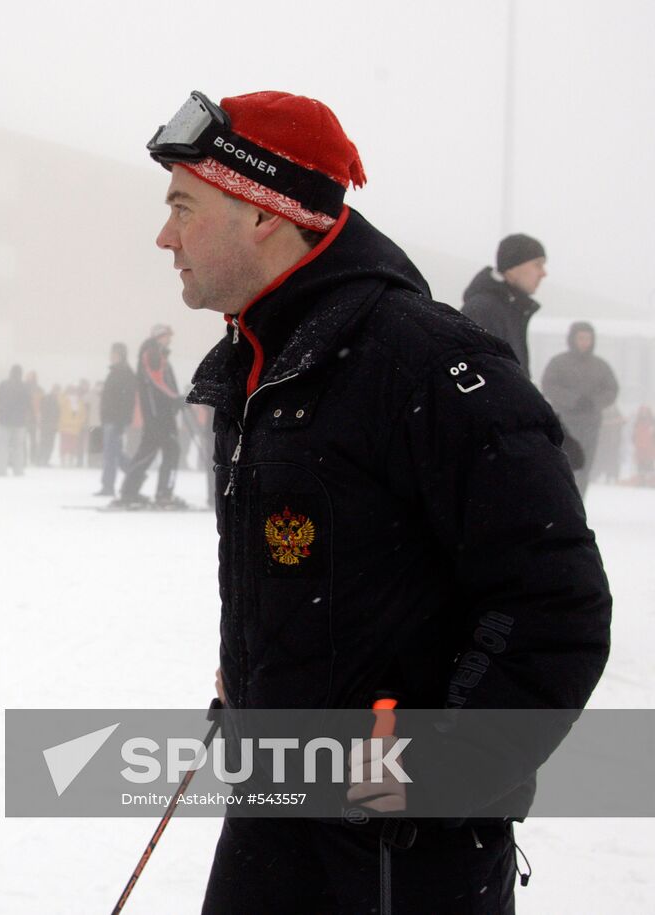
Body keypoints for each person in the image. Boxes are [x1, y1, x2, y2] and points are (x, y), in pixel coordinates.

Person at [147, 90, 610, 913]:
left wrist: (436, 776)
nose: (165, 235)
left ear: (263, 211)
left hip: (400, 858)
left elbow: (554, 601)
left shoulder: (425, 360)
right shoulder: (258, 365)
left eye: (184, 206)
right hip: (276, 816)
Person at [541, 321, 620, 496]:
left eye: (588, 338)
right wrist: (573, 400)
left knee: (585, 467)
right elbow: (549, 385)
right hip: (564, 425)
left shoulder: (600, 365)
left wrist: (594, 402)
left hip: (591, 424)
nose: (585, 342)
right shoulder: (559, 363)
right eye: (581, 338)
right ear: (572, 339)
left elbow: (612, 389)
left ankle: (579, 505)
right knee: (562, 466)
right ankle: (561, 506)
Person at [460, 233, 546, 379]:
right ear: (512, 268)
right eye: (537, 265)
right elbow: (484, 378)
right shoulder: (484, 310)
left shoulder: (511, 310)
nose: (543, 273)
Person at [116, 325, 184, 507]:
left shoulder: (158, 353)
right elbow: (157, 380)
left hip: (160, 413)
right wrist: (175, 397)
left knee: (156, 451)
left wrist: (175, 399)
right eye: (167, 336)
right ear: (159, 336)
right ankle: (158, 493)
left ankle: (132, 491)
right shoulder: (152, 351)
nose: (169, 340)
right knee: (166, 450)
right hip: (157, 415)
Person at [97, 342, 137, 496]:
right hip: (110, 420)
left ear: (120, 355)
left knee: (110, 455)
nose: (111, 356)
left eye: (114, 353)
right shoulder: (116, 372)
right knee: (116, 453)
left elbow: (127, 400)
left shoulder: (124, 373)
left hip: (115, 420)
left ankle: (109, 486)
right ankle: (135, 474)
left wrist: (122, 421)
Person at [0, 365, 31, 477]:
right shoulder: (24, 387)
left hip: (4, 419)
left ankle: (1, 470)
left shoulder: (4, 384)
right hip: (20, 421)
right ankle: (18, 470)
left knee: (3, 446)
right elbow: (28, 404)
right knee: (18, 447)